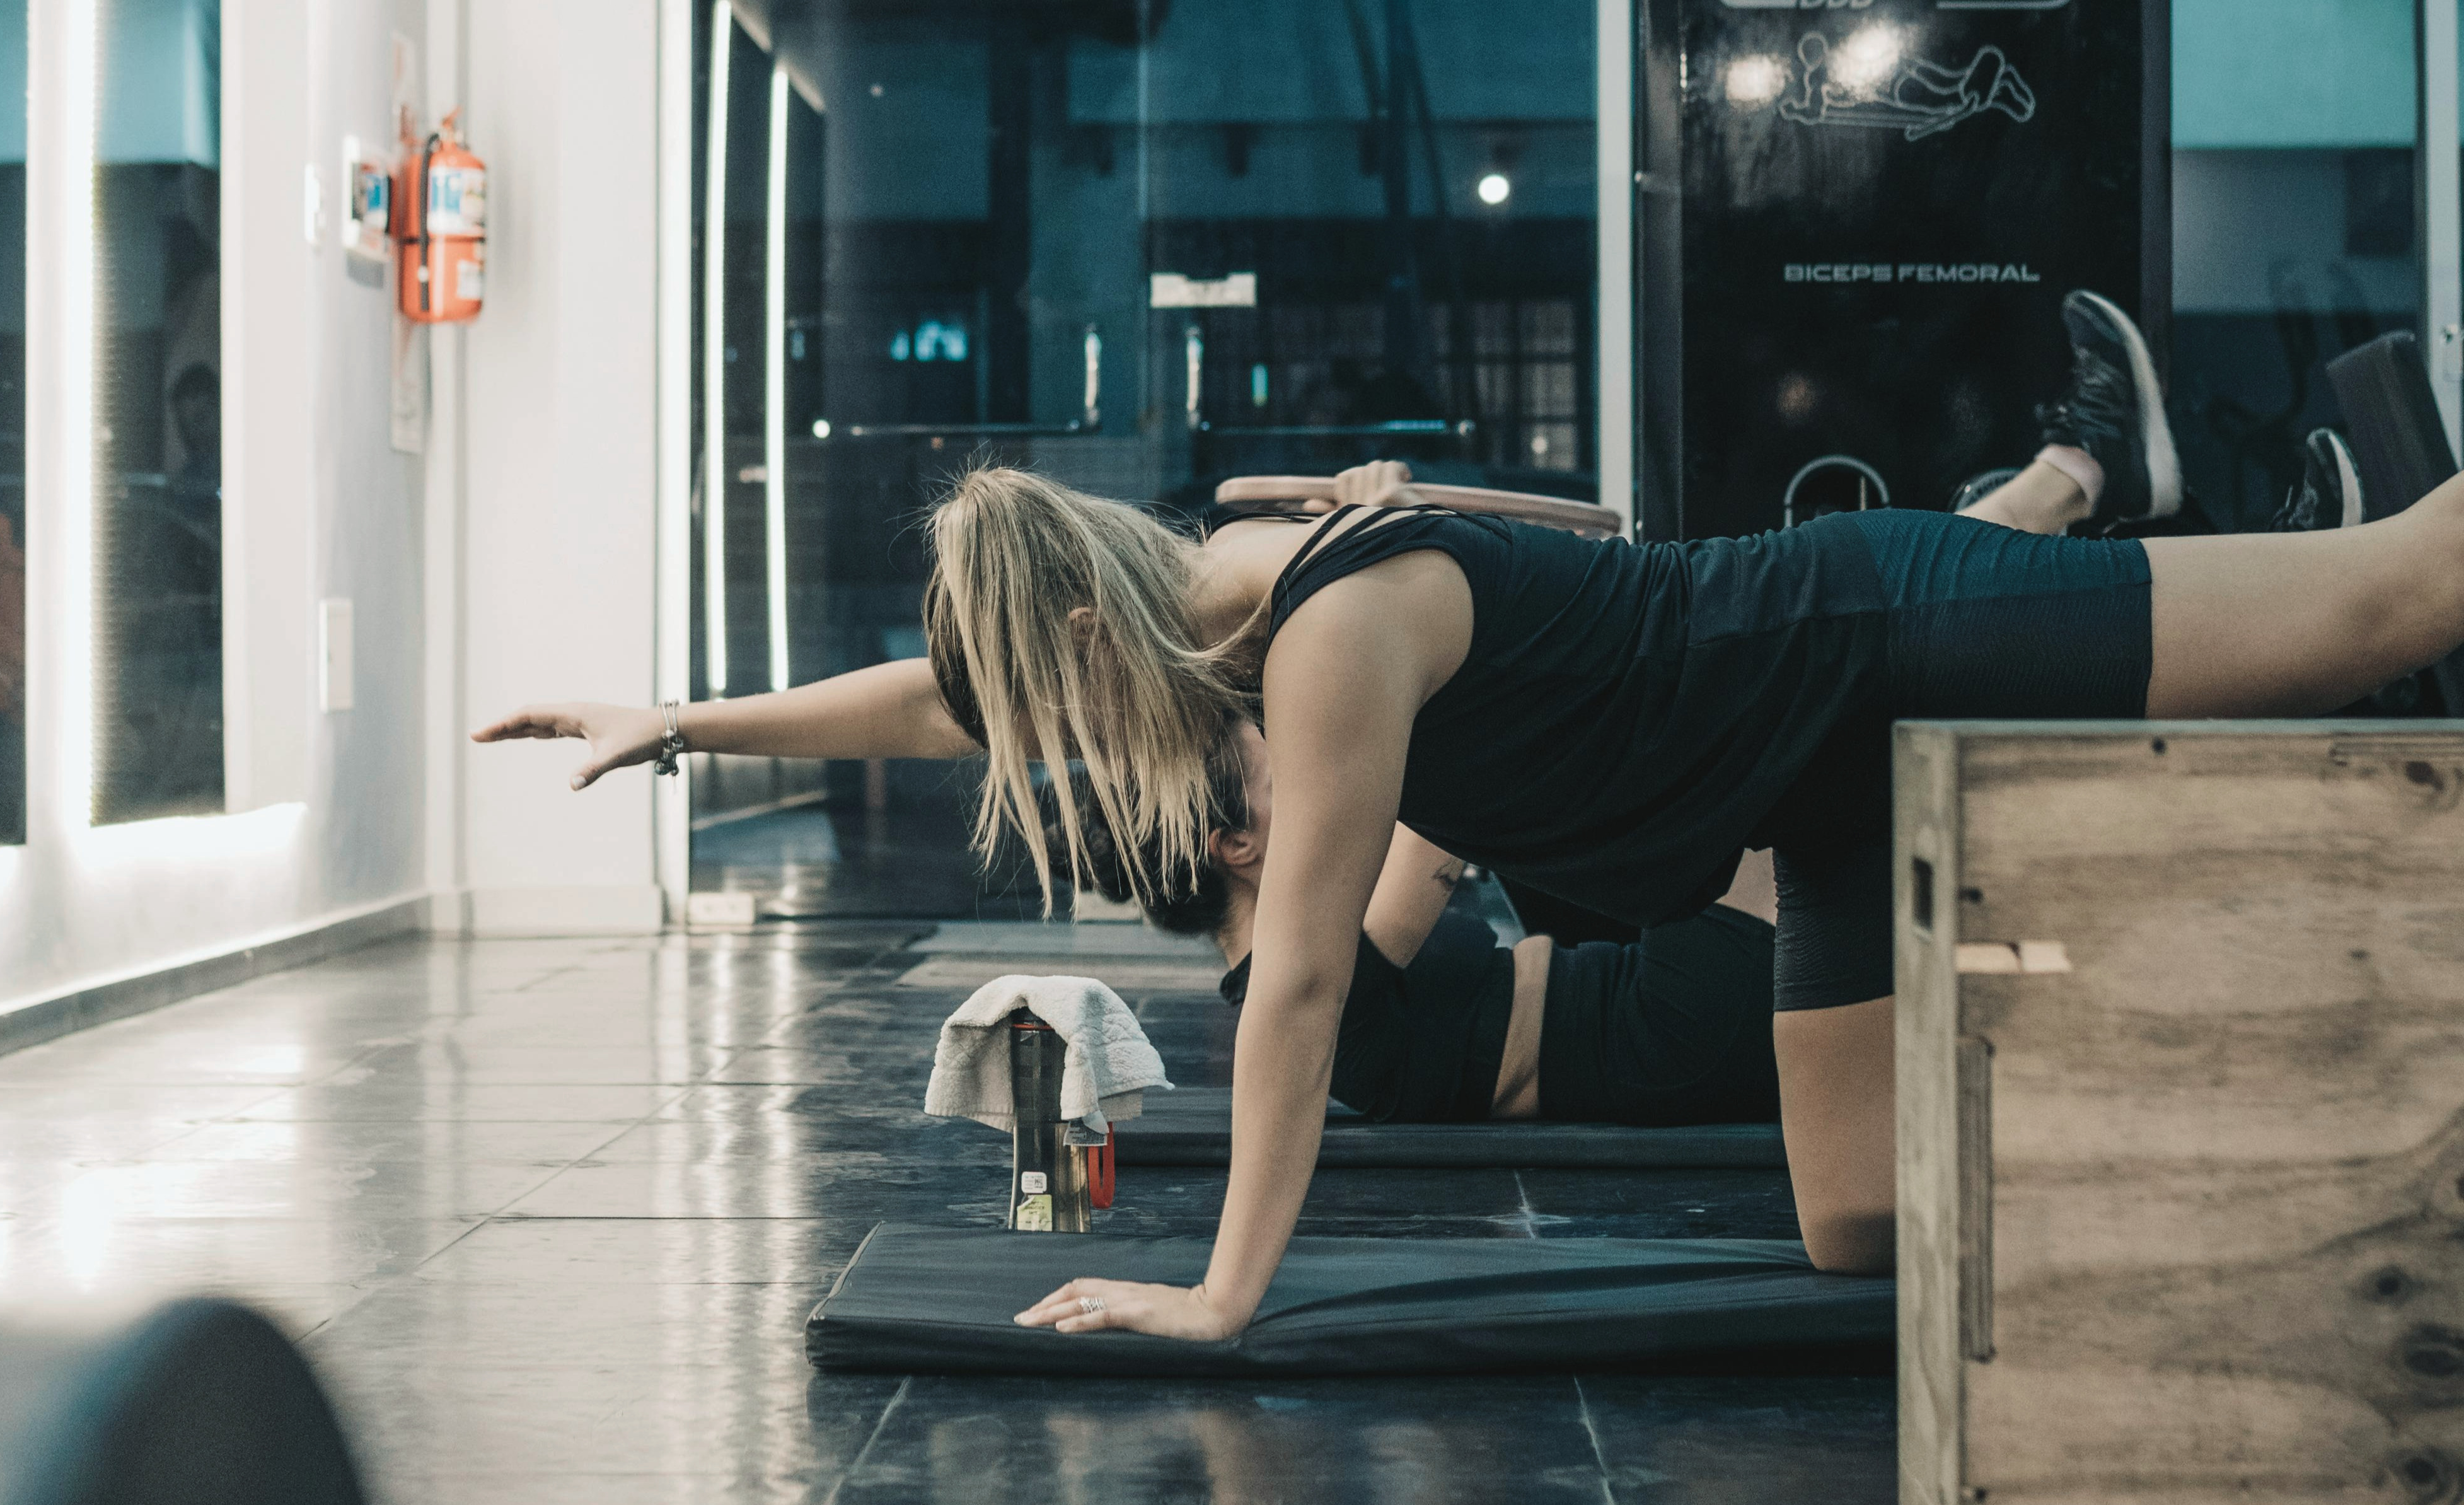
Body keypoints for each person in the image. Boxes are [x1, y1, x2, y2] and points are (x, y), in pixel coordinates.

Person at [477, 288, 2464, 1338]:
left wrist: (1222, 1291)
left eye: (1046, 701)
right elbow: (936, 697)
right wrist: (685, 719)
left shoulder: (1327, 630)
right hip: (1824, 787)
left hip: (1869, 627)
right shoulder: (1236, 574)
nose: (1046, 746)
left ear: (1088, 633)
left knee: (2382, 597)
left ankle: (2189, 517)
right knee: (1858, 1226)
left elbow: (1304, 984)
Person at [1045, 720, 1781, 1128]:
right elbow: (1441, 793)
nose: (1314, 771)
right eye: (1285, 776)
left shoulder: (1295, 954)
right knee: (1768, 754)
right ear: (1237, 846)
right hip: (1666, 1031)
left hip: (1642, 1004)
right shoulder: (1309, 976)